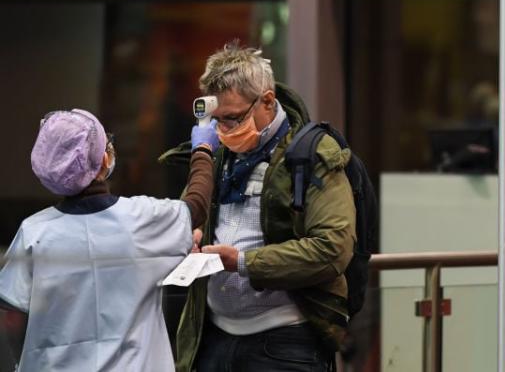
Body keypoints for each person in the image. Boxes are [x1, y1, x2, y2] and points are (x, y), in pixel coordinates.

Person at [172, 43, 356, 372]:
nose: (224, 130)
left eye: (233, 118)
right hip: (212, 335)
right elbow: (192, 213)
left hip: (284, 342)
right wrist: (191, 236)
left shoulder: (312, 155)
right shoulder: (217, 151)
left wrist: (242, 262)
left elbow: (333, 248)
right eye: (217, 121)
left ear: (267, 101)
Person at [0, 108, 217, 370]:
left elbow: (11, 312)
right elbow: (196, 206)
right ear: (104, 160)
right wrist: (203, 150)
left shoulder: (34, 232)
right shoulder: (142, 219)